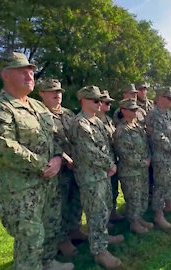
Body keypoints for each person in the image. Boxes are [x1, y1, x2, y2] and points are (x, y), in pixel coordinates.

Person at [0, 52, 73, 270]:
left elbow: (54, 136)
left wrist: (57, 157)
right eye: (22, 71)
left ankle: (48, 263)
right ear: (6, 75)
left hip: (48, 183)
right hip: (19, 188)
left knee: (51, 227)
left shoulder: (38, 107)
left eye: (31, 71)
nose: (30, 75)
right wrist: (43, 165)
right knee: (30, 238)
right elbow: (5, 148)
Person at [69, 86, 123, 269]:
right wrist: (110, 165)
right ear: (84, 100)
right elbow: (89, 152)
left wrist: (109, 166)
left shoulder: (97, 121)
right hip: (91, 177)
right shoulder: (80, 123)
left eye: (101, 100)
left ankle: (103, 238)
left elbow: (106, 146)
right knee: (96, 213)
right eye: (96, 100)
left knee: (104, 210)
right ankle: (100, 252)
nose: (100, 103)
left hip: (102, 174)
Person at [37, 79, 85, 258]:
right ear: (41, 93)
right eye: (51, 91)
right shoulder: (39, 115)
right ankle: (61, 239)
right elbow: (47, 142)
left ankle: (75, 229)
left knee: (76, 199)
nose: (57, 94)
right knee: (59, 205)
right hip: (57, 169)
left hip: (75, 166)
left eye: (59, 91)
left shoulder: (68, 113)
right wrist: (64, 157)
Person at [146, 86, 171, 229]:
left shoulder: (169, 113)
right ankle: (158, 214)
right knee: (160, 186)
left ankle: (169, 204)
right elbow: (156, 135)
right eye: (169, 98)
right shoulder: (153, 115)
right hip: (161, 157)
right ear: (160, 98)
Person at [114, 98, 154, 234]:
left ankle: (139, 218)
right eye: (132, 109)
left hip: (142, 168)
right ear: (123, 111)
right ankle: (133, 223)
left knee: (142, 195)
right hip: (130, 171)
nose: (135, 111)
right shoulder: (122, 130)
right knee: (133, 197)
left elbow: (146, 144)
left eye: (136, 109)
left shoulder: (137, 126)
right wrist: (144, 162)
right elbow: (126, 153)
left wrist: (148, 157)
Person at [97, 90, 124, 222]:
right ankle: (104, 221)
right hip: (101, 162)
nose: (109, 104)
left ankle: (112, 213)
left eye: (110, 102)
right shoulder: (94, 120)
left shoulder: (108, 120)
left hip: (113, 160)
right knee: (102, 195)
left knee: (113, 189)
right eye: (106, 102)